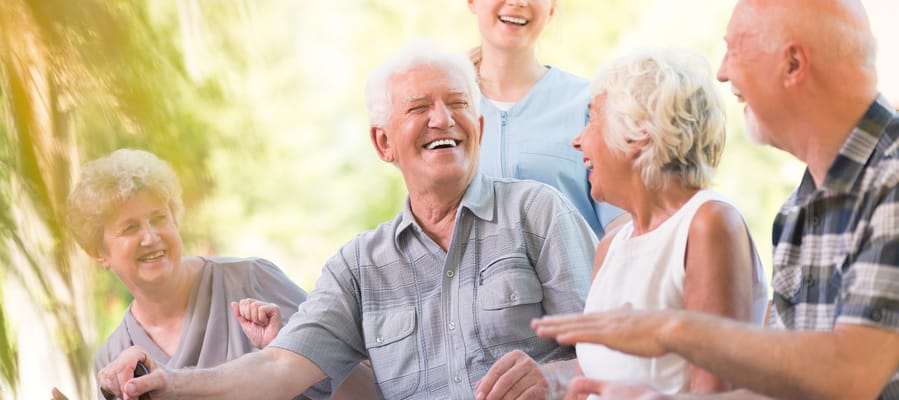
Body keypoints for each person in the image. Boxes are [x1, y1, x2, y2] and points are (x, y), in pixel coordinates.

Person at [96, 42, 597, 400]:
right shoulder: (358, 267)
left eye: (457, 104)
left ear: (480, 128)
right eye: (419, 107)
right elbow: (278, 368)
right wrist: (170, 382)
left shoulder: (537, 212)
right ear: (383, 143)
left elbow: (613, 354)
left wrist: (552, 380)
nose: (442, 119)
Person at [532, 0, 899, 398]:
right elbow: (788, 389)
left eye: (736, 48)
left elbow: (854, 373)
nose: (722, 72)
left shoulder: (891, 180)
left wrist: (673, 330)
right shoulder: (798, 211)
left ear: (793, 64)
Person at [63, 149, 371, 399]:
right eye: (130, 228)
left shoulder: (251, 279)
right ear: (98, 252)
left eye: (159, 218)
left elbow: (369, 387)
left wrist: (291, 350)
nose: (151, 237)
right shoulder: (112, 357)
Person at [565, 47, 768, 396]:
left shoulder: (708, 223)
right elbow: (584, 386)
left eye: (592, 118)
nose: (577, 140)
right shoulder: (610, 247)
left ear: (636, 133)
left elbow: (714, 392)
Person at [467, 0, 625, 239]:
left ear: (551, 9)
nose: (517, 2)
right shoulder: (444, 110)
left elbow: (622, 226)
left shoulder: (590, 105)